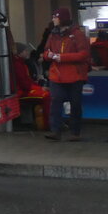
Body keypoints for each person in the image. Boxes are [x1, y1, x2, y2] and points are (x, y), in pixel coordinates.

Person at [43, 7, 90, 141]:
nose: (53, 19)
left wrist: (61, 57)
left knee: (75, 104)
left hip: (74, 75)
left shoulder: (77, 35)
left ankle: (74, 132)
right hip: (57, 75)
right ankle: (55, 130)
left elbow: (84, 54)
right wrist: (49, 56)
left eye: (55, 17)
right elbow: (45, 52)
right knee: (56, 101)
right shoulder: (53, 35)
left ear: (62, 19)